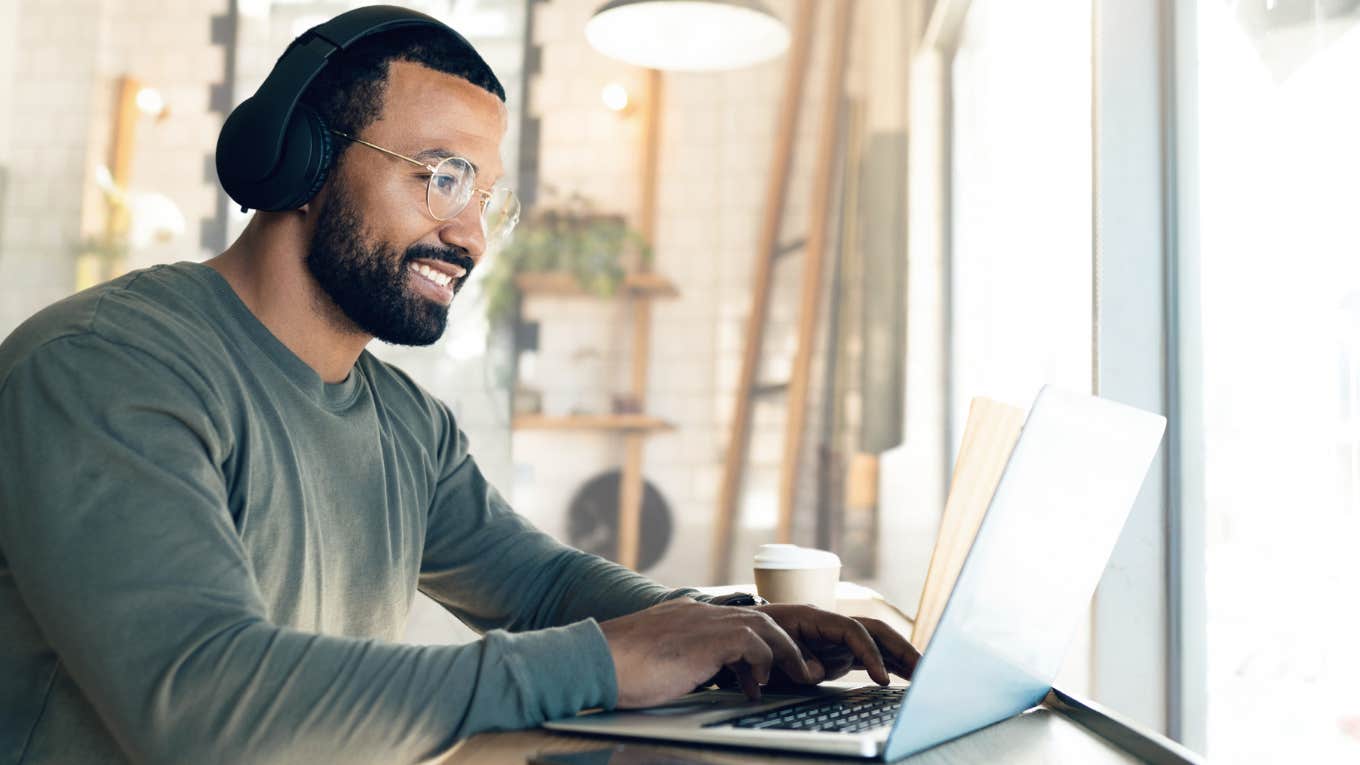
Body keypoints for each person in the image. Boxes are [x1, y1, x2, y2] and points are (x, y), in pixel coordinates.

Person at [0, 9, 917, 765]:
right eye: (443, 178)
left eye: (485, 197)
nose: (473, 237)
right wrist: (604, 660)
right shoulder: (103, 369)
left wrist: (731, 631)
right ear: (303, 162)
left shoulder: (403, 421)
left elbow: (542, 582)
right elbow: (202, 706)